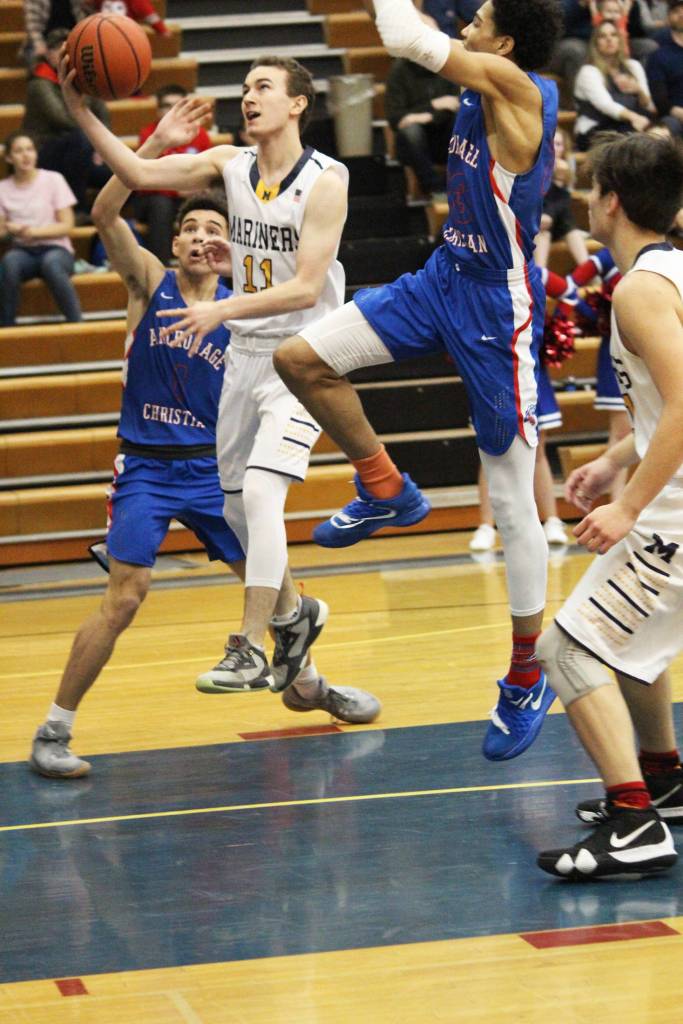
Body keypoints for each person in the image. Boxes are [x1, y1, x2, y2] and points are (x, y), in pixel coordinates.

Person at [30, 98, 379, 779]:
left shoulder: (246, 314)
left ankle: (307, 686)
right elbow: (103, 214)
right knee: (126, 595)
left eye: (211, 229)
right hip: (147, 468)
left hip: (214, 467)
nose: (196, 237)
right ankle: (54, 727)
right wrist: (157, 141)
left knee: (274, 583)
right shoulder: (149, 283)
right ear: (173, 244)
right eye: (188, 228)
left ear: (232, 246)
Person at [275, 0, 564, 762]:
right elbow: (423, 38)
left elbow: (403, 34)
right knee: (299, 359)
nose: (465, 22)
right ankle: (385, 487)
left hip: (495, 306)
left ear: (504, 42)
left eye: (480, 18)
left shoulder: (516, 87)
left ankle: (525, 674)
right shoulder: (484, 78)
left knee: (511, 499)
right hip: (441, 277)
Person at [535, 130, 683, 880]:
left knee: (565, 649)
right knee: (628, 643)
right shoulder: (671, 272)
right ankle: (664, 778)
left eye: (591, 189)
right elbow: (666, 406)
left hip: (675, 513)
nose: (586, 201)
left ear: (612, 201)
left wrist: (628, 507)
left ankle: (634, 823)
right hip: (671, 495)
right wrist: (613, 459)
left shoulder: (640, 290)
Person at [470, 267, 577, 551]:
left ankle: (552, 520)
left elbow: (569, 292)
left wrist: (556, 330)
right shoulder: (478, 272)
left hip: (531, 368)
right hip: (492, 370)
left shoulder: (535, 272)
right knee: (490, 450)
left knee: (537, 448)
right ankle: (486, 526)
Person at [22, 27, 111, 215]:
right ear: (48, 53)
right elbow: (62, 120)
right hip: (44, 150)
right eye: (58, 49)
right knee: (78, 139)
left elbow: (102, 112)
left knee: (119, 177)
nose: (64, 55)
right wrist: (94, 142)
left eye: (68, 50)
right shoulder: (39, 83)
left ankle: (104, 215)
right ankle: (77, 209)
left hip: (78, 152)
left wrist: (101, 147)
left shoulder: (81, 78)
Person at [0, 129, 82, 326]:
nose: (26, 155)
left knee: (51, 264)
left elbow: (67, 224)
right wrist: (9, 230)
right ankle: (6, 328)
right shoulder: (2, 188)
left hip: (57, 248)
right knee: (9, 263)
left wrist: (30, 232)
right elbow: (1, 231)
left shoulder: (53, 179)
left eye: (30, 149)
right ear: (9, 158)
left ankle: (77, 324)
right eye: (19, 151)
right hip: (23, 250)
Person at [570, 245, 632, 497]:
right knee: (623, 432)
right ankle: (618, 504)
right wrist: (598, 317)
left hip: (649, 352)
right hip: (616, 354)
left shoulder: (660, 255)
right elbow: (567, 287)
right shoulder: (607, 256)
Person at [135, 84, 214, 264]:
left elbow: (208, 173)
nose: (173, 112)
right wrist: (178, 190)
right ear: (158, 111)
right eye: (167, 106)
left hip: (188, 195)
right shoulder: (149, 135)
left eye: (178, 106)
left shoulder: (200, 135)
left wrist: (193, 188)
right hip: (153, 198)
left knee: (211, 200)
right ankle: (161, 266)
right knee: (160, 204)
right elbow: (145, 179)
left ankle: (210, 262)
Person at [385, 54, 460, 201]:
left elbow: (455, 103)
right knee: (411, 131)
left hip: (444, 135)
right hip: (414, 146)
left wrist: (430, 117)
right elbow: (395, 118)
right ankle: (434, 188)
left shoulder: (447, 66)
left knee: (461, 120)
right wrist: (433, 105)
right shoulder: (399, 71)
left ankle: (462, 183)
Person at [574, 21, 656, 149]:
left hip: (629, 126)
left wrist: (638, 90)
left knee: (664, 126)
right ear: (595, 44)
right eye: (602, 36)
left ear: (620, 40)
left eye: (613, 35)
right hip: (595, 130)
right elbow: (606, 105)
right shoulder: (588, 72)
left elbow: (649, 106)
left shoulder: (633, 66)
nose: (609, 39)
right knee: (635, 136)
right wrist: (635, 118)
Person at [534, 127, 590, 268]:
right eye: (552, 143)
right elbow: (535, 199)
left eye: (559, 144)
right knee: (546, 232)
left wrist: (560, 179)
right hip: (537, 220)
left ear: (564, 148)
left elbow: (563, 201)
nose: (555, 148)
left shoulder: (566, 166)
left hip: (556, 220)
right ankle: (540, 275)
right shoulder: (534, 165)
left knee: (570, 227)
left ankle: (590, 272)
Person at [646, 0, 683, 138]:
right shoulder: (658, 56)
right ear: (668, 18)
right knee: (663, 130)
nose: (681, 15)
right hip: (676, 116)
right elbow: (660, 100)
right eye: (676, 11)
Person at [20, 0, 82, 67]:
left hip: (70, 40)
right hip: (45, 42)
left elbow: (82, 22)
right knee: (36, 55)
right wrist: (47, 53)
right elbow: (34, 29)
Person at [82, 0, 171, 36]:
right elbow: (151, 17)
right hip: (125, 36)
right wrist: (162, 30)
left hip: (102, 34)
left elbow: (85, 4)